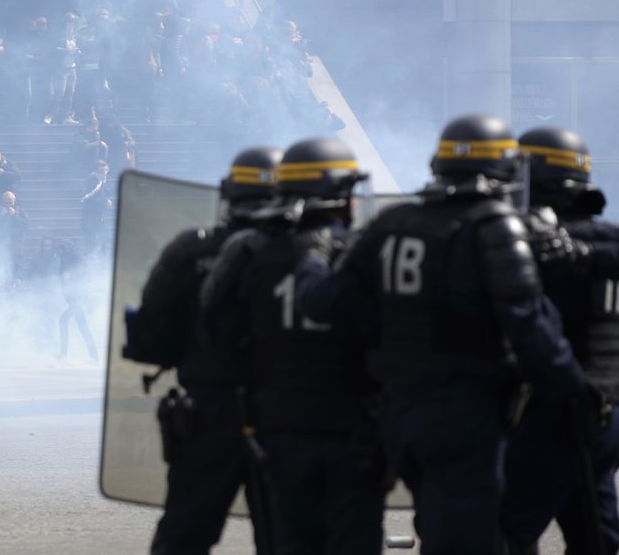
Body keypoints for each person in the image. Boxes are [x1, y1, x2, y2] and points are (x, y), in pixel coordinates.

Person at [294, 114, 586, 553]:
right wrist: (573, 393)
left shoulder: (392, 223)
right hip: (467, 413)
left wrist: (313, 259)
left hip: (398, 412)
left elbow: (329, 305)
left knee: (436, 525)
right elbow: (528, 325)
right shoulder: (493, 228)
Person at [201, 138, 384, 554]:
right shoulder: (360, 251)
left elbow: (217, 328)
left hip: (276, 427)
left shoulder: (248, 252)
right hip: (353, 429)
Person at [125, 147, 281, 555]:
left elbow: (151, 340)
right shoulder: (304, 255)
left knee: (183, 537)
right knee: (289, 538)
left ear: (229, 194)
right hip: (283, 418)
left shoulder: (190, 252)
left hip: (207, 416)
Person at [502, 127, 619, 554]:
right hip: (602, 416)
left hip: (551, 412)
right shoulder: (599, 241)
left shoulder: (534, 248)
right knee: (597, 535)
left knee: (504, 531)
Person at [56, 240, 98, 363]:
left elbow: (86, 275)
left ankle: (64, 354)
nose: (61, 252)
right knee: (82, 326)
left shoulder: (76, 258)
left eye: (63, 250)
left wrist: (71, 275)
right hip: (73, 299)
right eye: (60, 251)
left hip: (79, 298)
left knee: (63, 322)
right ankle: (93, 355)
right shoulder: (64, 260)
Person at [80, 159, 111, 254]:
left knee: (105, 238)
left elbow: (105, 193)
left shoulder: (103, 181)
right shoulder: (91, 180)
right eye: (101, 170)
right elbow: (89, 198)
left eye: (105, 170)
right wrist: (105, 201)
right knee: (91, 240)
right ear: (96, 170)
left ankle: (102, 257)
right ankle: (90, 259)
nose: (103, 172)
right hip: (90, 216)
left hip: (100, 216)